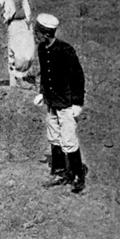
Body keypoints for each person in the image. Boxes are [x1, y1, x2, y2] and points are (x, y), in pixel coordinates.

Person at [33, 13, 87, 193]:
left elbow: (78, 77)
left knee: (69, 139)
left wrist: (77, 103)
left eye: (37, 33)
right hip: (52, 102)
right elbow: (45, 73)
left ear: (45, 33)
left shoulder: (65, 50)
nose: (35, 35)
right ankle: (59, 171)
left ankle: (78, 175)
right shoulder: (42, 49)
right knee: (53, 136)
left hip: (66, 103)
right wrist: (42, 93)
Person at [0, 0, 46, 90]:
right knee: (18, 52)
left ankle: (23, 75)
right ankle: (19, 78)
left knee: (29, 52)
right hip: (14, 24)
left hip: (25, 23)